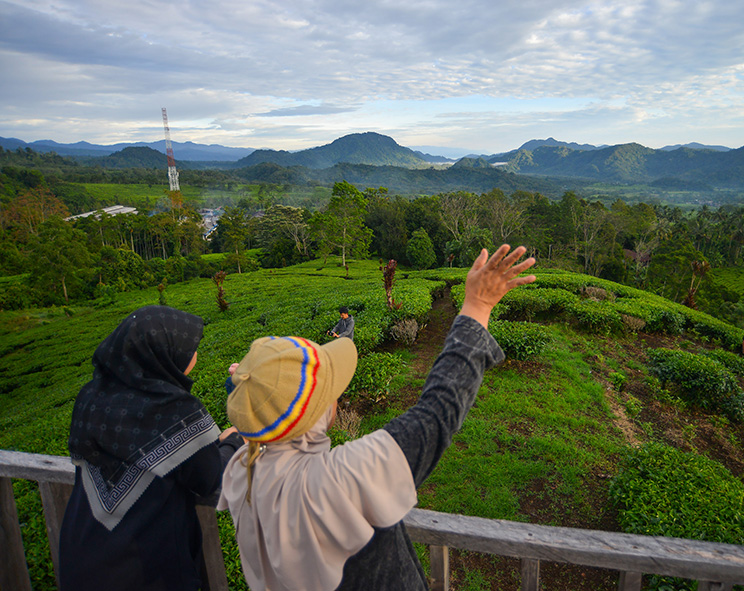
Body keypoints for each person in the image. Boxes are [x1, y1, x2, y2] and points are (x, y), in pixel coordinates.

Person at [218, 244, 536, 591]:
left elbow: (247, 436)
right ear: (319, 413)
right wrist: (478, 305)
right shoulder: (338, 482)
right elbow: (438, 411)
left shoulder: (240, 473)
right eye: (330, 392)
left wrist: (250, 418)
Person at [60, 305, 244, 591]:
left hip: (80, 556)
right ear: (161, 354)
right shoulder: (172, 409)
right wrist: (234, 441)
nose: (193, 353)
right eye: (187, 347)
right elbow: (210, 477)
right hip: (143, 570)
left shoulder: (91, 395)